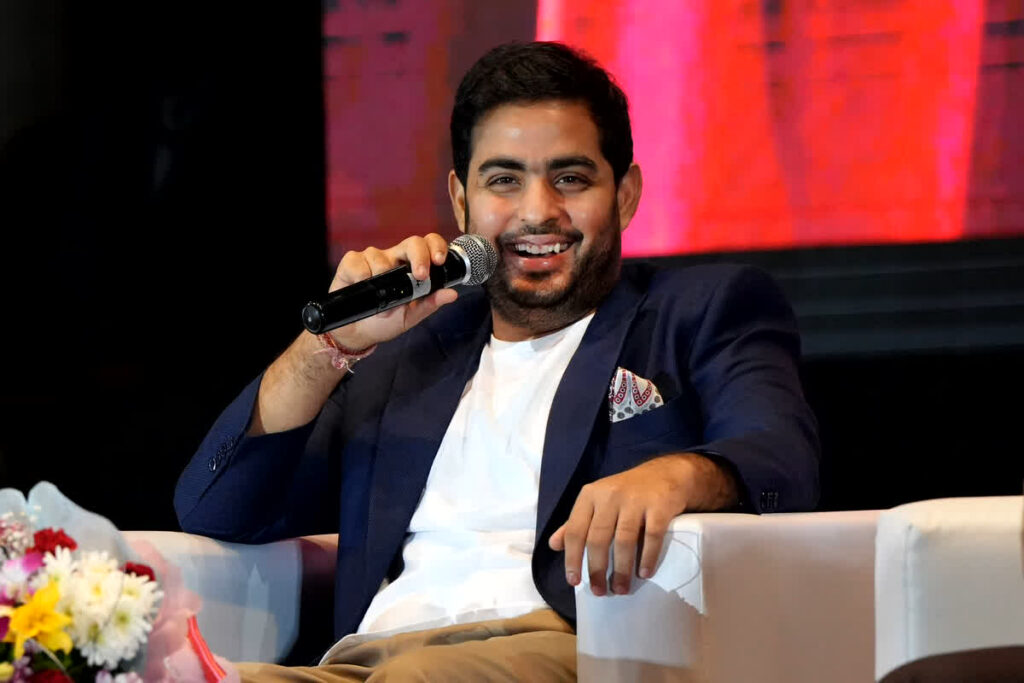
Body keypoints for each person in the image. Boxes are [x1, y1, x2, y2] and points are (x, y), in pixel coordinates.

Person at [174, 41, 820, 681]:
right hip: (365, 660)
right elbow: (218, 506)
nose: (538, 211)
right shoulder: (405, 350)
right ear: (461, 201)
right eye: (504, 180)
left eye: (570, 177)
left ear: (624, 194)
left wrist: (680, 475)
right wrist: (334, 344)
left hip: (569, 647)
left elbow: (782, 459)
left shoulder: (700, 309)